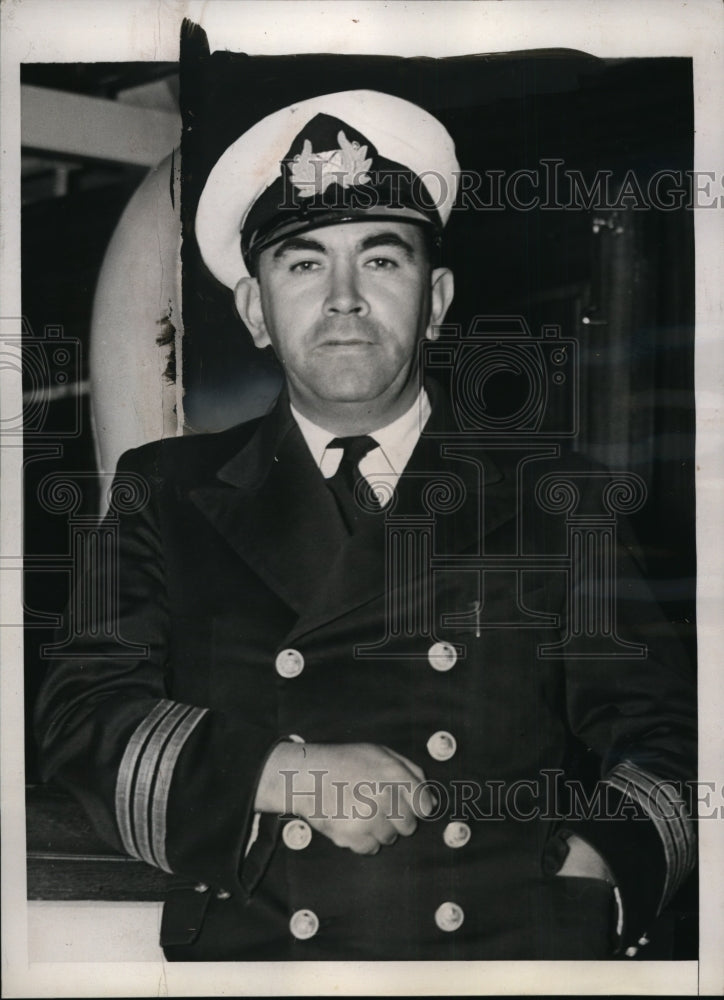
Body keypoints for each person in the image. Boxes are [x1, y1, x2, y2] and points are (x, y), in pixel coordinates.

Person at [35, 89, 696, 961]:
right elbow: (80, 720)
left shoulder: (558, 499)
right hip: (266, 967)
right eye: (303, 265)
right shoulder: (166, 491)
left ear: (436, 299)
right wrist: (287, 775)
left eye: (381, 262)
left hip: (495, 962)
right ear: (254, 312)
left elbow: (677, 739)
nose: (343, 299)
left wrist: (596, 869)